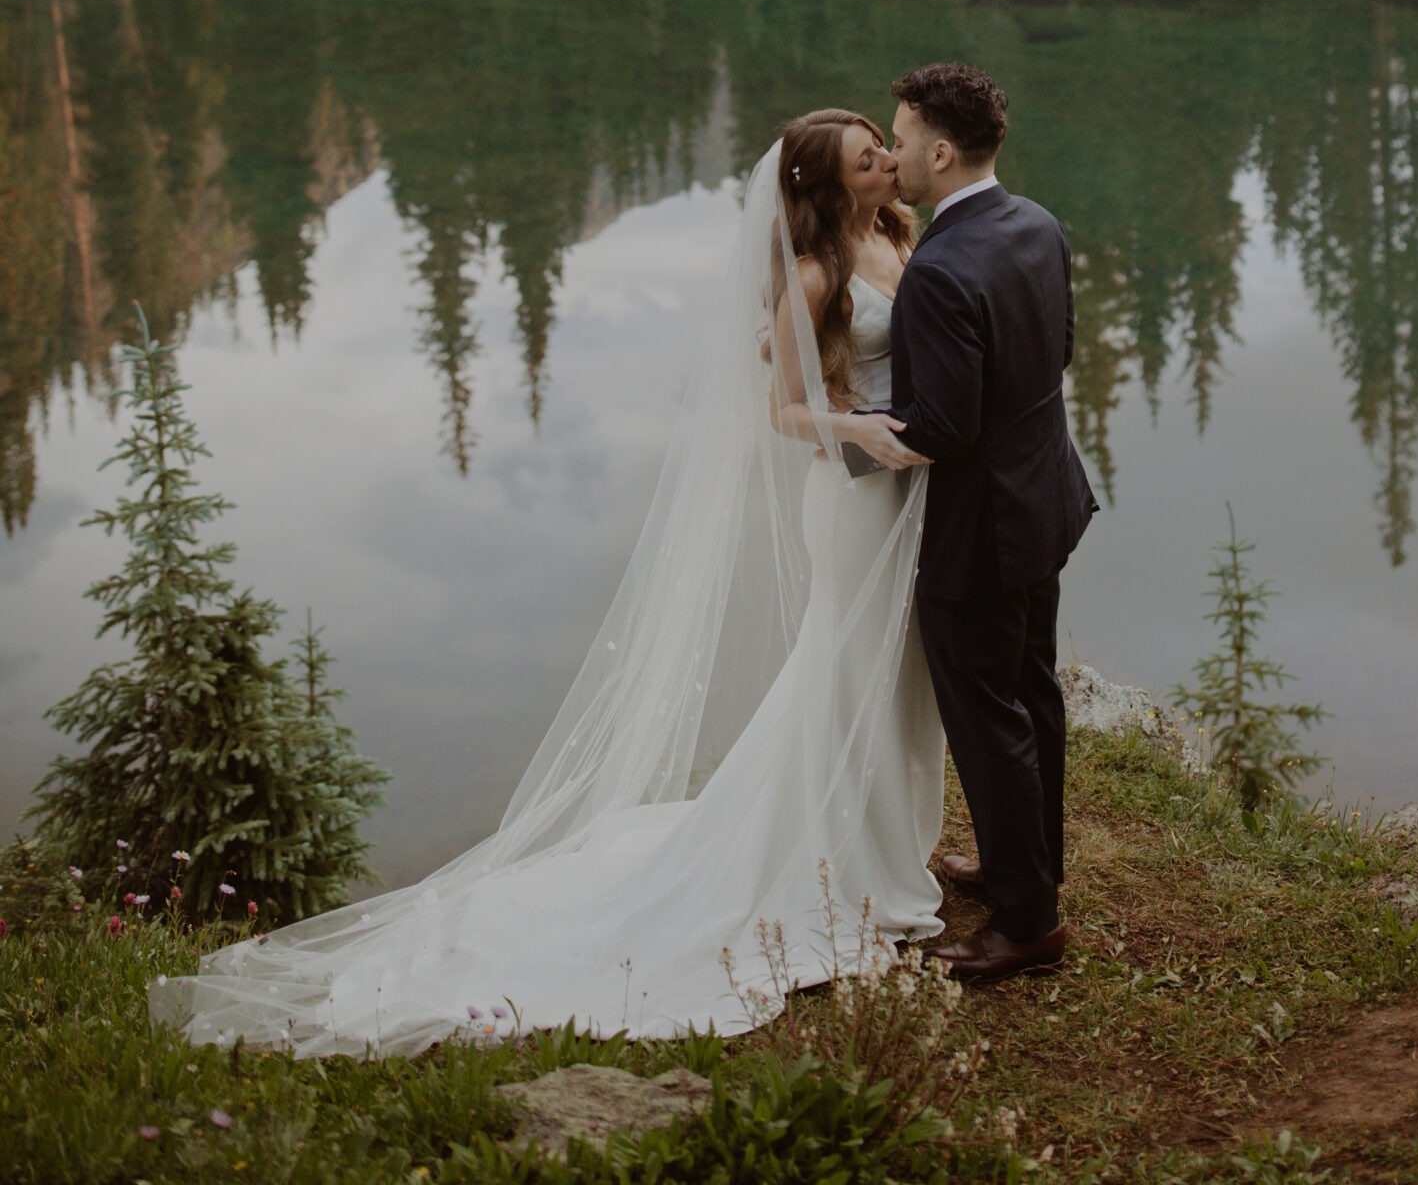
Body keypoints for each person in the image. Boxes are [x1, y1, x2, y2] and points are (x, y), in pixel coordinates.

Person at [152, 110, 944, 1055]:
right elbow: (782, 408)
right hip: (852, 500)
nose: (890, 163)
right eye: (869, 159)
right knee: (845, 671)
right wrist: (856, 431)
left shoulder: (895, 235)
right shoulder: (812, 275)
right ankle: (847, 866)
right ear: (827, 188)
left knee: (893, 677)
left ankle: (881, 849)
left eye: (882, 149)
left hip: (906, 491)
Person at [887, 62, 1098, 984]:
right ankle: (1026, 869)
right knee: (1031, 692)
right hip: (1044, 502)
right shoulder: (1036, 223)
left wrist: (842, 441)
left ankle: (1026, 922)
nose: (892, 158)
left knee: (987, 716)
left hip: (978, 529)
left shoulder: (936, 269)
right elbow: (1058, 351)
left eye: (898, 141)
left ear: (939, 150)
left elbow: (941, 428)